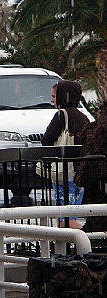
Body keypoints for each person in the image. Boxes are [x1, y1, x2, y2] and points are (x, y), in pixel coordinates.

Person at [42, 80, 90, 228]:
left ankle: (83, 240)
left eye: (54, 96)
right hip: (79, 171)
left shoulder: (61, 116)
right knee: (72, 211)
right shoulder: (83, 117)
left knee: (65, 216)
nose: (52, 100)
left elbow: (46, 140)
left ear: (63, 96)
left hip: (64, 171)